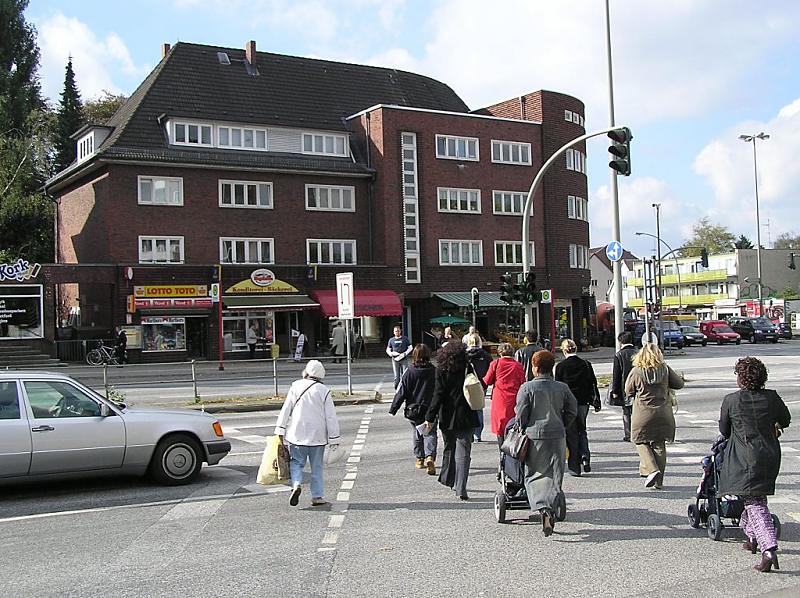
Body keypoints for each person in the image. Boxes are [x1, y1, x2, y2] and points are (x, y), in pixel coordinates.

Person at [718, 357, 791, 573]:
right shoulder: (772, 397)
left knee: (753, 501)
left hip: (744, 458)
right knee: (755, 497)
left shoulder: (732, 400)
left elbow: (724, 430)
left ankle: (768, 548)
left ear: (741, 378)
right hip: (769, 455)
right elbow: (785, 419)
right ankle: (753, 537)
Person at [515, 350, 578, 537]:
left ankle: (543, 508)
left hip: (535, 436)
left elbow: (521, 415)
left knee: (534, 472)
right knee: (555, 472)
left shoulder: (527, 388)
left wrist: (523, 427)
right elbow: (572, 411)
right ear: (552, 368)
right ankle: (552, 502)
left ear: (535, 367)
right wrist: (562, 423)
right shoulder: (562, 388)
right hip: (557, 435)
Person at [274, 360, 340, 507]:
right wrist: (334, 438)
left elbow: (286, 409)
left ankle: (296, 483)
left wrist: (280, 429)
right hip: (317, 435)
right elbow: (331, 416)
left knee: (296, 463)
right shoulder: (324, 391)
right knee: (316, 466)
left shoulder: (295, 386)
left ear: (306, 372)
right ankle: (317, 496)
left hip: (297, 433)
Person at [625, 342, 684, 489]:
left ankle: (652, 469)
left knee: (639, 441)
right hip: (663, 413)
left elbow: (628, 390)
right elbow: (679, 384)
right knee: (659, 444)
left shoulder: (636, 371)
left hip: (643, 413)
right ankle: (659, 482)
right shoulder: (664, 369)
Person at [424, 342, 478, 501]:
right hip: (466, 414)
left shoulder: (441, 370)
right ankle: (461, 487)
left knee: (449, 447)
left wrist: (430, 417)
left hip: (447, 415)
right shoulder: (467, 367)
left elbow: (438, 395)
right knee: (464, 452)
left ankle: (449, 479)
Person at [389, 344, 437, 475]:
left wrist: (394, 408)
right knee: (430, 433)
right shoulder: (434, 371)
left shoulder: (410, 371)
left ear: (414, 356)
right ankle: (430, 456)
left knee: (417, 433)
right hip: (430, 408)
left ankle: (420, 458)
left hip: (413, 409)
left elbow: (402, 391)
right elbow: (440, 391)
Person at [555, 339, 600, 477]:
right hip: (583, 402)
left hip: (567, 404)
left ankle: (575, 466)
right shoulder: (586, 364)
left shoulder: (561, 367)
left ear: (563, 351)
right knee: (582, 430)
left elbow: (558, 386)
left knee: (571, 434)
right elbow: (593, 382)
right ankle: (585, 456)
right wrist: (595, 400)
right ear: (575, 349)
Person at [483, 342, 525, 444]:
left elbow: (487, 381)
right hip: (514, 398)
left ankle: (502, 451)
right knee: (512, 424)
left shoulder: (495, 364)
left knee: (500, 426)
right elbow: (523, 382)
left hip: (499, 398)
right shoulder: (518, 365)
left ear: (500, 352)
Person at [609, 331, 637, 442]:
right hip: (638, 387)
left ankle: (628, 434)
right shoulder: (638, 353)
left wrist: (615, 391)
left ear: (620, 341)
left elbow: (616, 374)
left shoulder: (619, 355)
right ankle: (637, 432)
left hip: (624, 387)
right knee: (636, 411)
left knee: (626, 412)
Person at [465, 333, 491, 441]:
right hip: (481, 384)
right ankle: (478, 433)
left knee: (468, 408)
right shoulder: (485, 355)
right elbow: (490, 368)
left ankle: (469, 432)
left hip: (467, 384)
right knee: (479, 408)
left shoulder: (465, 356)